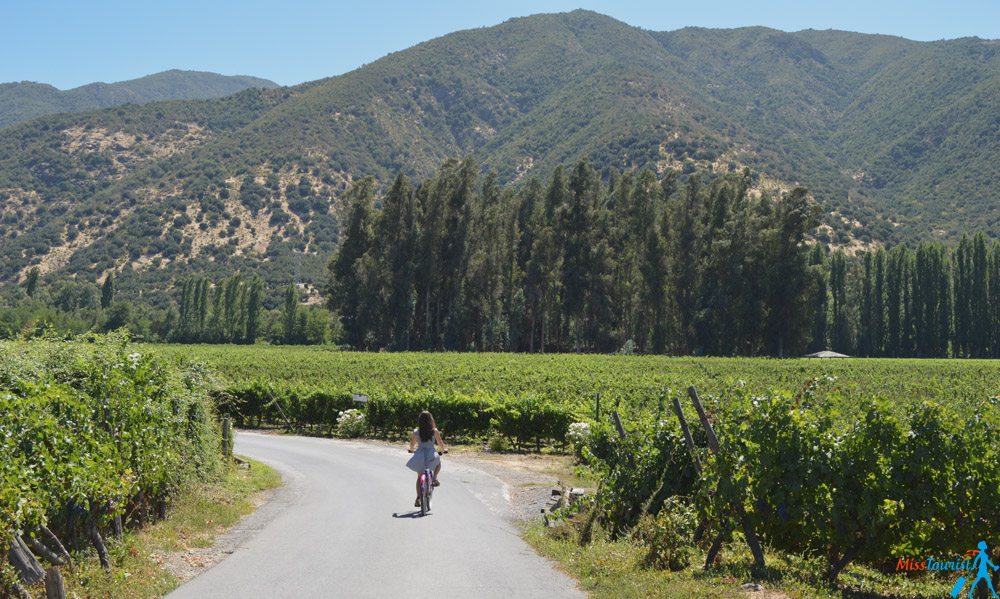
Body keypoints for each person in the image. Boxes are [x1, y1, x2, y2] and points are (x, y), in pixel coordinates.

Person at [406, 411, 447, 507]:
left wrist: (411, 450)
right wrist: (443, 450)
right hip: (431, 454)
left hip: (420, 454)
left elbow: (412, 444)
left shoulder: (416, 431)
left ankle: (418, 497)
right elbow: (440, 444)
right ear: (431, 420)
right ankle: (434, 478)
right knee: (438, 464)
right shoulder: (434, 431)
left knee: (420, 476)